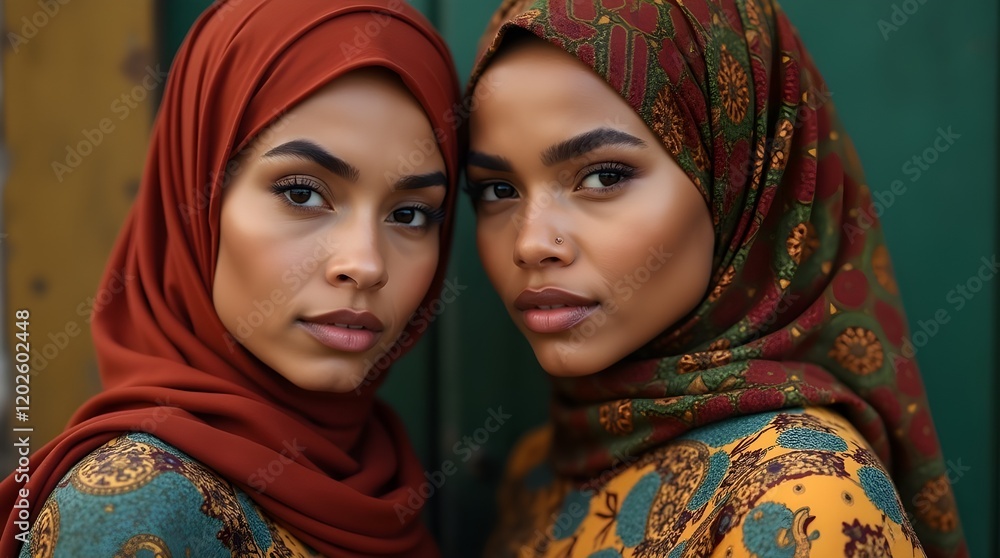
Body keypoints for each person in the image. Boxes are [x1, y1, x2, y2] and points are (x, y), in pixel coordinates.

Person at [464, 0, 966, 556]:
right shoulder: (539, 466)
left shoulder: (805, 503)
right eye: (498, 190)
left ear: (738, 180)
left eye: (603, 177)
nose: (530, 243)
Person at [0, 0, 460, 556]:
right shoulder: (130, 508)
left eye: (410, 213)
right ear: (198, 198)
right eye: (302, 194)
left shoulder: (381, 476)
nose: (366, 264)